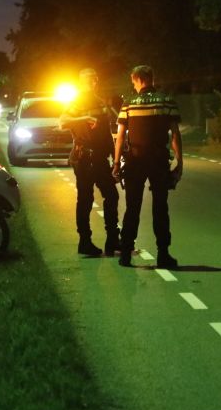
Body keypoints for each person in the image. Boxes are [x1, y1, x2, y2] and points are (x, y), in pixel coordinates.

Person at [112, 65, 182, 268]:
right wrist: (179, 161)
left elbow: (120, 137)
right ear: (152, 78)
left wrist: (116, 163)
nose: (132, 85)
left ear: (137, 79)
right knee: (161, 207)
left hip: (135, 160)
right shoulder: (166, 100)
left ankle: (125, 253)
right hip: (159, 160)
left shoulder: (128, 103)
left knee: (132, 207)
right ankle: (163, 254)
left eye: (133, 81)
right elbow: (175, 134)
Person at [59, 68, 120, 256]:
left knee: (111, 195)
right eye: (88, 80)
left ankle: (112, 240)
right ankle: (85, 242)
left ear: (96, 81)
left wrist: (115, 158)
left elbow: (106, 133)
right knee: (86, 199)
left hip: (100, 158)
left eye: (93, 80)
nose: (91, 83)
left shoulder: (101, 102)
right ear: (82, 82)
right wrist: (84, 117)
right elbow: (62, 121)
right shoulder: (77, 101)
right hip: (84, 157)